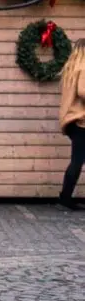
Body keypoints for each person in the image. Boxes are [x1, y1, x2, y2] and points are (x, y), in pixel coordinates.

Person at [59, 42, 85, 205]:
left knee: (77, 159)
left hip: (71, 120)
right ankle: (65, 198)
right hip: (82, 120)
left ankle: (65, 197)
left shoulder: (71, 69)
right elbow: (83, 91)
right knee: (77, 160)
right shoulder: (83, 67)